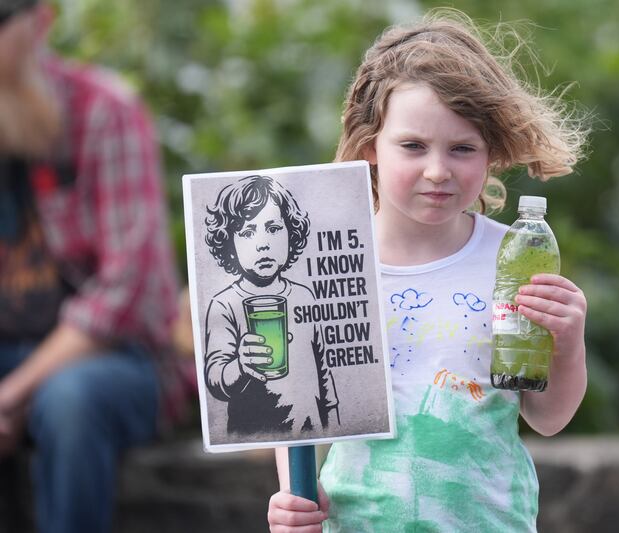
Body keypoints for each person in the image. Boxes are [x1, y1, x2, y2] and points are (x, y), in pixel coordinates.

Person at [267, 10, 588, 532]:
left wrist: (568, 344)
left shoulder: (514, 258)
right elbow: (300, 405)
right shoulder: (326, 260)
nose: (438, 171)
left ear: (492, 154)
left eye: (463, 148)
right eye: (413, 146)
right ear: (371, 144)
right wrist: (296, 494)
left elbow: (548, 418)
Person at [0, 1, 180, 532]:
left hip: (114, 358)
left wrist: (12, 394)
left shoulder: (104, 110)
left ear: (41, 20)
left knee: (71, 401)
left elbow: (126, 290)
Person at [203, 175, 338, 438]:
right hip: (254, 437)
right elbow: (215, 377)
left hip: (311, 428)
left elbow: (324, 372)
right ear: (229, 244)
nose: (263, 242)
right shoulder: (224, 304)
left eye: (274, 228)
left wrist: (335, 425)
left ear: (291, 233)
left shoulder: (305, 296)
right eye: (247, 232)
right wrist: (240, 366)